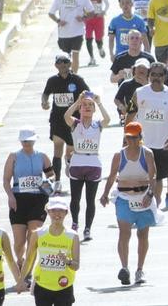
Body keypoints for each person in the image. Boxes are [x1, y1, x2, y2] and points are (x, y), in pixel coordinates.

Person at [99, 121, 159, 286]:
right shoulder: (119, 155)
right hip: (124, 198)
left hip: (143, 198)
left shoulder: (147, 154)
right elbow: (112, 175)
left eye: (134, 137)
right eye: (129, 137)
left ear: (140, 137)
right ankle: (124, 268)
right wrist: (105, 194)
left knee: (142, 234)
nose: (131, 141)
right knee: (124, 233)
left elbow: (153, 176)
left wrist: (150, 194)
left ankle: (140, 269)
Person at [133, 59, 168, 210]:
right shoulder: (139, 93)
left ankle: (156, 206)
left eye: (159, 75)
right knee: (141, 177)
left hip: (162, 144)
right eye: (153, 74)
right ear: (149, 76)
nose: (156, 77)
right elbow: (130, 115)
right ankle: (142, 205)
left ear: (164, 77)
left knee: (158, 178)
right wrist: (128, 137)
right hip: (142, 143)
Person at [2, 127, 54, 269]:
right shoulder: (13, 157)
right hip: (19, 199)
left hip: (38, 199)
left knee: (32, 237)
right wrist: (10, 196)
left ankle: (28, 269)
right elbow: (6, 180)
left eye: (29, 141)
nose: (26, 143)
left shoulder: (42, 156)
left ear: (34, 140)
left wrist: (48, 182)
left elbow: (51, 174)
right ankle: (21, 260)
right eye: (24, 141)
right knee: (19, 241)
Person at [63, 92, 110, 241]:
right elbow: (66, 116)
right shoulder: (75, 123)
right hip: (78, 162)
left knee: (90, 200)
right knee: (75, 198)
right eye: (84, 105)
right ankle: (75, 223)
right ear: (80, 108)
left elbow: (108, 119)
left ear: (94, 109)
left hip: (93, 164)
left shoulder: (97, 125)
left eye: (90, 105)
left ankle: (88, 228)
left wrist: (99, 102)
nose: (87, 107)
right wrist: (78, 101)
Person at [42, 54, 90, 194]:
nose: (62, 65)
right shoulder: (52, 80)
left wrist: (85, 104)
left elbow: (88, 93)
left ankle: (68, 160)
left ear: (70, 64)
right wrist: (44, 102)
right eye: (59, 62)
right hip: (57, 119)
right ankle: (57, 181)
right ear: (56, 65)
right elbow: (46, 93)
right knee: (57, 148)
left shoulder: (77, 79)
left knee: (70, 149)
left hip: (73, 120)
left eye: (65, 62)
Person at [18, 198, 81, 305]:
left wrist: (67, 261)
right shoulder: (38, 234)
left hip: (64, 285)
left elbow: (76, 266)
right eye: (53, 210)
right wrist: (20, 281)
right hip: (42, 285)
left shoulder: (73, 236)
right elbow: (28, 260)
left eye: (61, 210)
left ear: (66, 213)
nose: (57, 214)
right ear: (48, 212)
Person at [49, 0, 95, 68]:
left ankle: (74, 75)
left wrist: (83, 18)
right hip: (64, 34)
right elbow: (51, 13)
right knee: (66, 58)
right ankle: (67, 74)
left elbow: (92, 12)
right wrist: (58, 21)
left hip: (77, 32)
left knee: (75, 55)